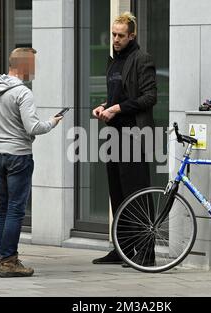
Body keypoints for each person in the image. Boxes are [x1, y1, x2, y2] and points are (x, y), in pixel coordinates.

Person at [0, 48, 63, 278]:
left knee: (4, 207)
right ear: (25, 65)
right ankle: (9, 262)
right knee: (16, 210)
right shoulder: (22, 93)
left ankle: (3, 256)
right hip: (18, 155)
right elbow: (33, 128)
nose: (35, 69)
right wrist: (52, 122)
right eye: (34, 64)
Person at [92, 12, 157, 265]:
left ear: (132, 35)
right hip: (113, 135)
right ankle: (122, 248)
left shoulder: (142, 59)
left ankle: (146, 251)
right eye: (113, 35)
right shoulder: (113, 61)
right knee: (117, 194)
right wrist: (104, 106)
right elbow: (119, 95)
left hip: (134, 135)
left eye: (120, 35)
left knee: (137, 193)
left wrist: (116, 109)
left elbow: (149, 97)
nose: (115, 39)